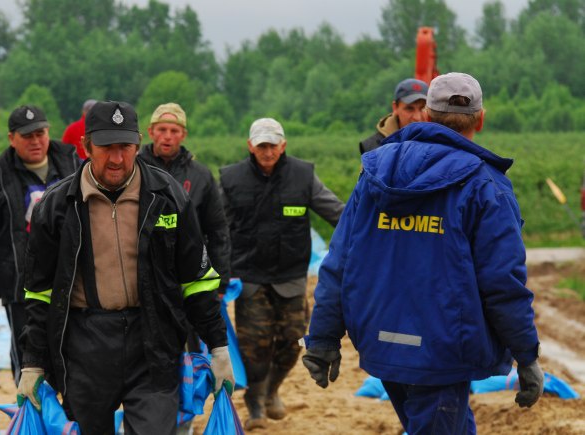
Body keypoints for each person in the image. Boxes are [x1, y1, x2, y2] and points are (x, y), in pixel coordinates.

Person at [303, 72, 544, 435]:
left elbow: (339, 263)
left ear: (427, 115)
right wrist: (525, 354)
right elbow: (502, 282)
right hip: (443, 349)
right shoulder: (485, 185)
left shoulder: (374, 173)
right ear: (480, 119)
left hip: (382, 342)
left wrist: (323, 339)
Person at [17, 100, 234, 434]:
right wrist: (33, 363)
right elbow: (39, 291)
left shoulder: (168, 197)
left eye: (126, 147)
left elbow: (197, 280)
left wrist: (218, 348)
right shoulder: (58, 207)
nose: (117, 159)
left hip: (153, 340)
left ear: (137, 145)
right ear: (86, 146)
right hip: (84, 344)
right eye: (106, 147)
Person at [219, 118, 344, 430]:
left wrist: (363, 234)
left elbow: (336, 212)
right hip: (249, 277)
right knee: (254, 347)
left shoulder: (303, 176)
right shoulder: (232, 179)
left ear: (283, 145)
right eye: (261, 145)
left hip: (291, 276)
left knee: (292, 343)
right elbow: (215, 226)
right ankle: (255, 402)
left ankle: (272, 390)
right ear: (251, 146)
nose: (268, 150)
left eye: (273, 144)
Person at [0, 105, 80, 384]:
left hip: (73, 281)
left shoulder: (74, 164)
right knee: (30, 360)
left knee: (76, 355)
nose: (36, 141)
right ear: (12, 139)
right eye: (27, 136)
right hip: (20, 286)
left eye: (40, 133)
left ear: (49, 133)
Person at [138, 102, 230, 295]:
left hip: (188, 274)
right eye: (162, 129)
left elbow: (217, 230)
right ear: (151, 132)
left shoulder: (201, 175)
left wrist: (220, 280)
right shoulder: (134, 170)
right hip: (143, 274)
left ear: (183, 135)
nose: (167, 136)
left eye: (174, 130)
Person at [359, 78, 428, 155]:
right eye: (409, 109)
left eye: (423, 108)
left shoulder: (439, 141)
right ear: (395, 108)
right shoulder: (373, 147)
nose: (417, 117)